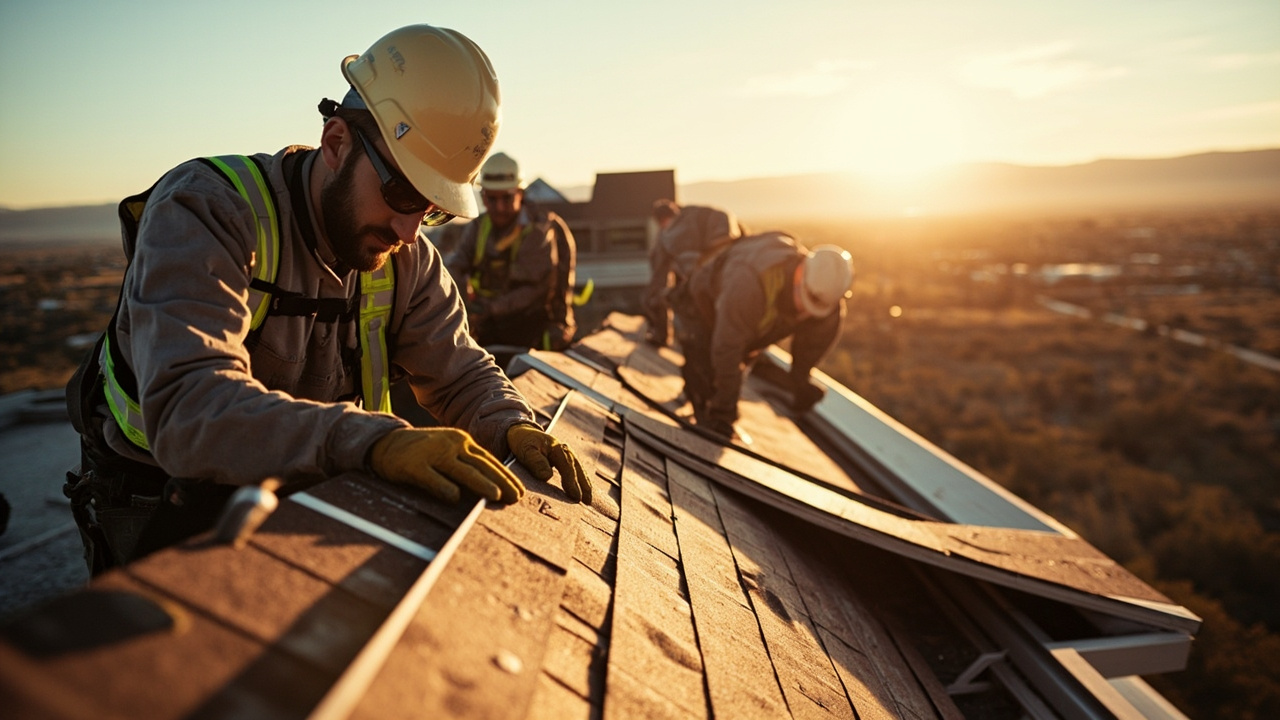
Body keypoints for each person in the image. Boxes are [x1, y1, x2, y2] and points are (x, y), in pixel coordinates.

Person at [63, 24, 590, 576]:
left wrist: (511, 423)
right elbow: (188, 409)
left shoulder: (403, 257)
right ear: (337, 143)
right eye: (403, 193)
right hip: (160, 494)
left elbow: (458, 372)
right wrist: (369, 441)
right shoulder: (209, 210)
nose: (411, 230)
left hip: (304, 474)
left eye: (433, 209)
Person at [669, 232, 854, 439]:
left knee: (737, 362)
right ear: (800, 273)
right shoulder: (749, 281)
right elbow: (727, 347)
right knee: (708, 387)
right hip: (702, 306)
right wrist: (725, 411)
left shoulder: (825, 297)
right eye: (807, 302)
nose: (807, 314)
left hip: (745, 321)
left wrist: (799, 380)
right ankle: (696, 386)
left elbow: (813, 342)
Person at [444, 152, 576, 358]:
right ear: (482, 197)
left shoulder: (538, 230)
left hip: (530, 330)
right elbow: (455, 267)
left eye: (507, 198)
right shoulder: (479, 228)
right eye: (491, 199)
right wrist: (464, 307)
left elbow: (535, 290)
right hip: (488, 327)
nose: (499, 207)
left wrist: (489, 309)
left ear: (520, 194)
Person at [643, 200, 746, 347]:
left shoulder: (673, 234)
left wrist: (657, 299)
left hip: (712, 269)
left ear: (662, 220)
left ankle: (668, 337)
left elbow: (662, 278)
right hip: (731, 250)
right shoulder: (698, 215)